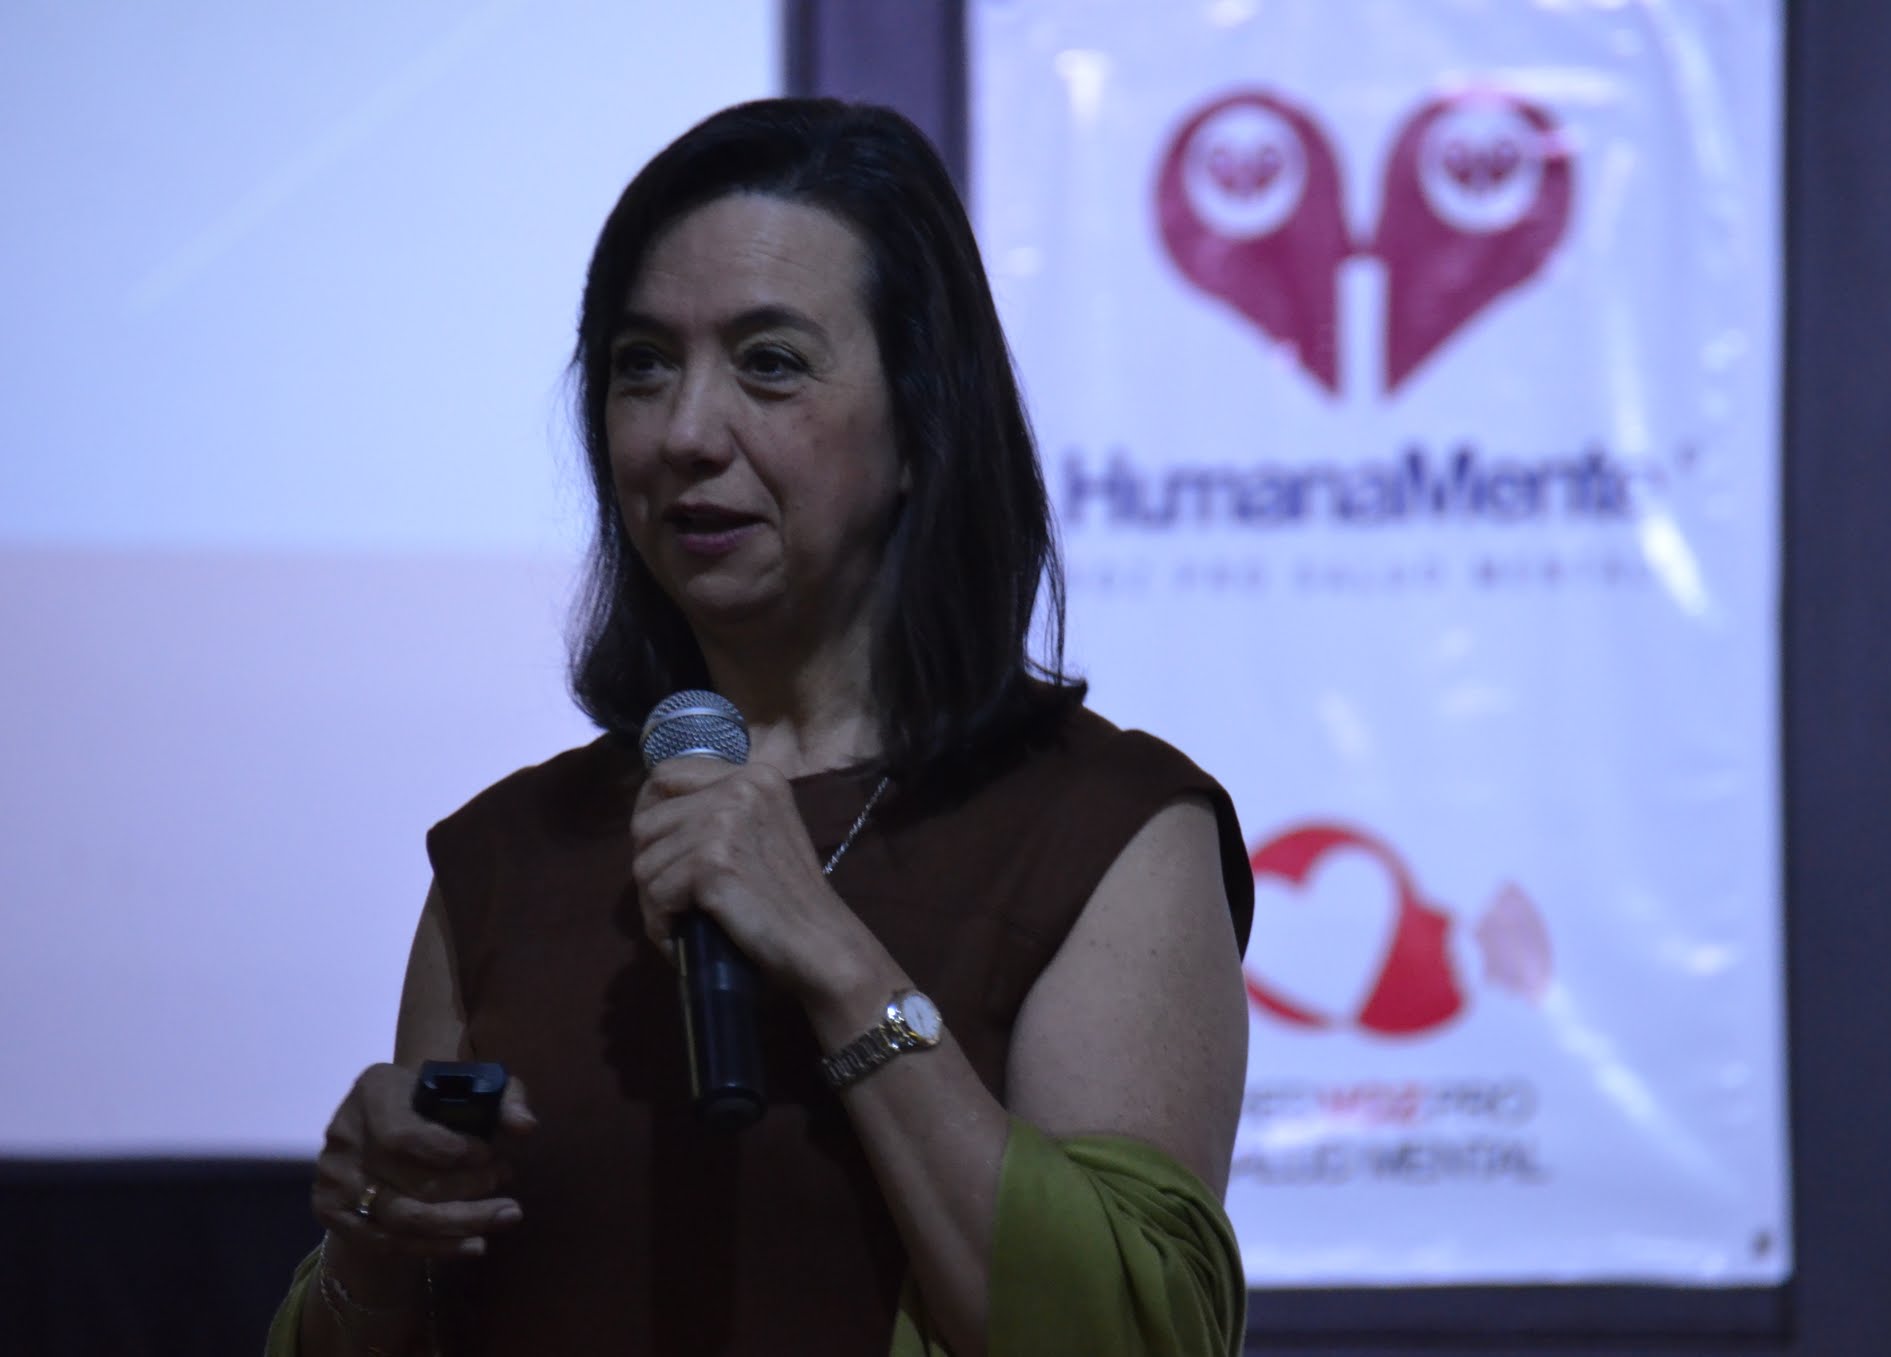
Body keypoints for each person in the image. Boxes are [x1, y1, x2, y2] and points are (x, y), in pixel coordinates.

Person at [268, 97, 1255, 1357]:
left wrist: (833, 959)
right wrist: (370, 1237)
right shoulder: (509, 852)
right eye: (641, 365)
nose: (684, 432)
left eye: (769, 363)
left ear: (920, 423)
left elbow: (1131, 1337)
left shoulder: (1105, 829)